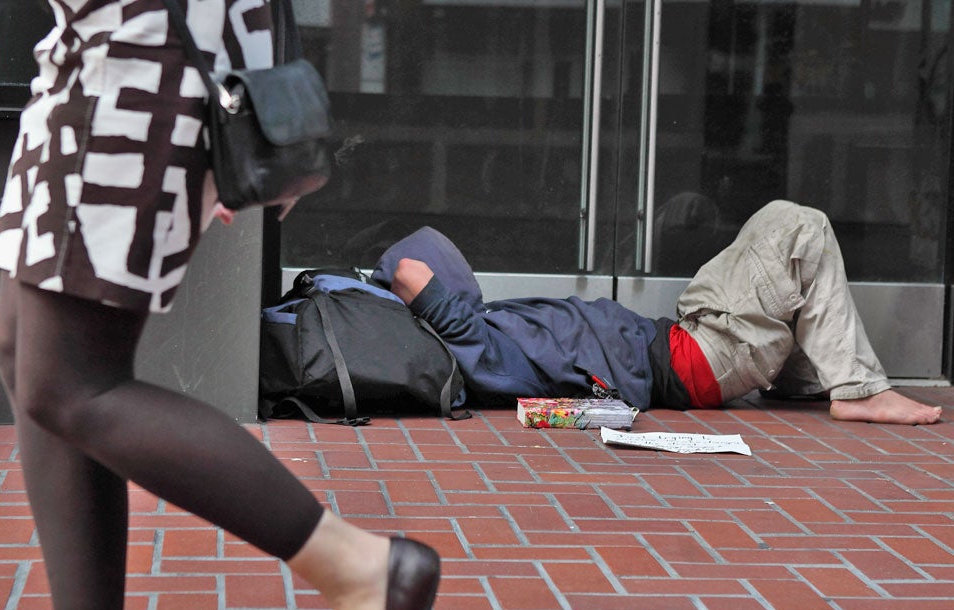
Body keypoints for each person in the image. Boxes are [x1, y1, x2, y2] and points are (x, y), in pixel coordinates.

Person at [0, 1, 438, 610]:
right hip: (89, 65)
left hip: (135, 68)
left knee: (70, 382)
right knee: (25, 353)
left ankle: (360, 570)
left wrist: (262, 102)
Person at [372, 200, 942, 426]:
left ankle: (810, 380)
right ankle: (857, 388)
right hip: (698, 358)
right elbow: (419, 284)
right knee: (799, 224)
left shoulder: (482, 334)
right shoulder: (473, 344)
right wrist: (400, 296)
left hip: (687, 339)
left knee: (700, 214)